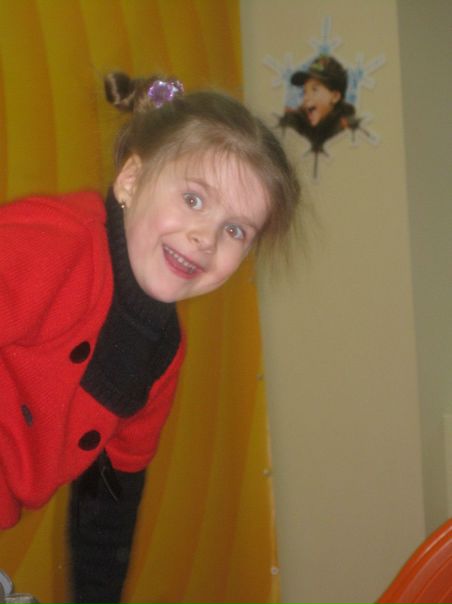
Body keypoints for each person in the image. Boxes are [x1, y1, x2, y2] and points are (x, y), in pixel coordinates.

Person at [0, 71, 300, 604]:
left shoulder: (159, 352)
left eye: (235, 230)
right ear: (131, 181)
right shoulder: (55, 243)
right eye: (194, 199)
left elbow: (109, 498)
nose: (205, 237)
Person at [279, 54, 361, 163]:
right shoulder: (298, 122)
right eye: (305, 91)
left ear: (335, 97)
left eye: (314, 89)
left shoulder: (346, 130)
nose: (306, 98)